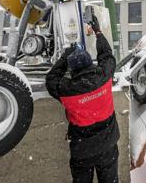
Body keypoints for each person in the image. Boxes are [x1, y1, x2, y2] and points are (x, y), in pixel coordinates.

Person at [46, 14, 119, 183]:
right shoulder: (103, 76)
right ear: (90, 64)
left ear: (72, 71)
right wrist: (98, 32)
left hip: (82, 150)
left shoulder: (67, 90)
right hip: (108, 145)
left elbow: (51, 79)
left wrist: (65, 57)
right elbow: (107, 56)